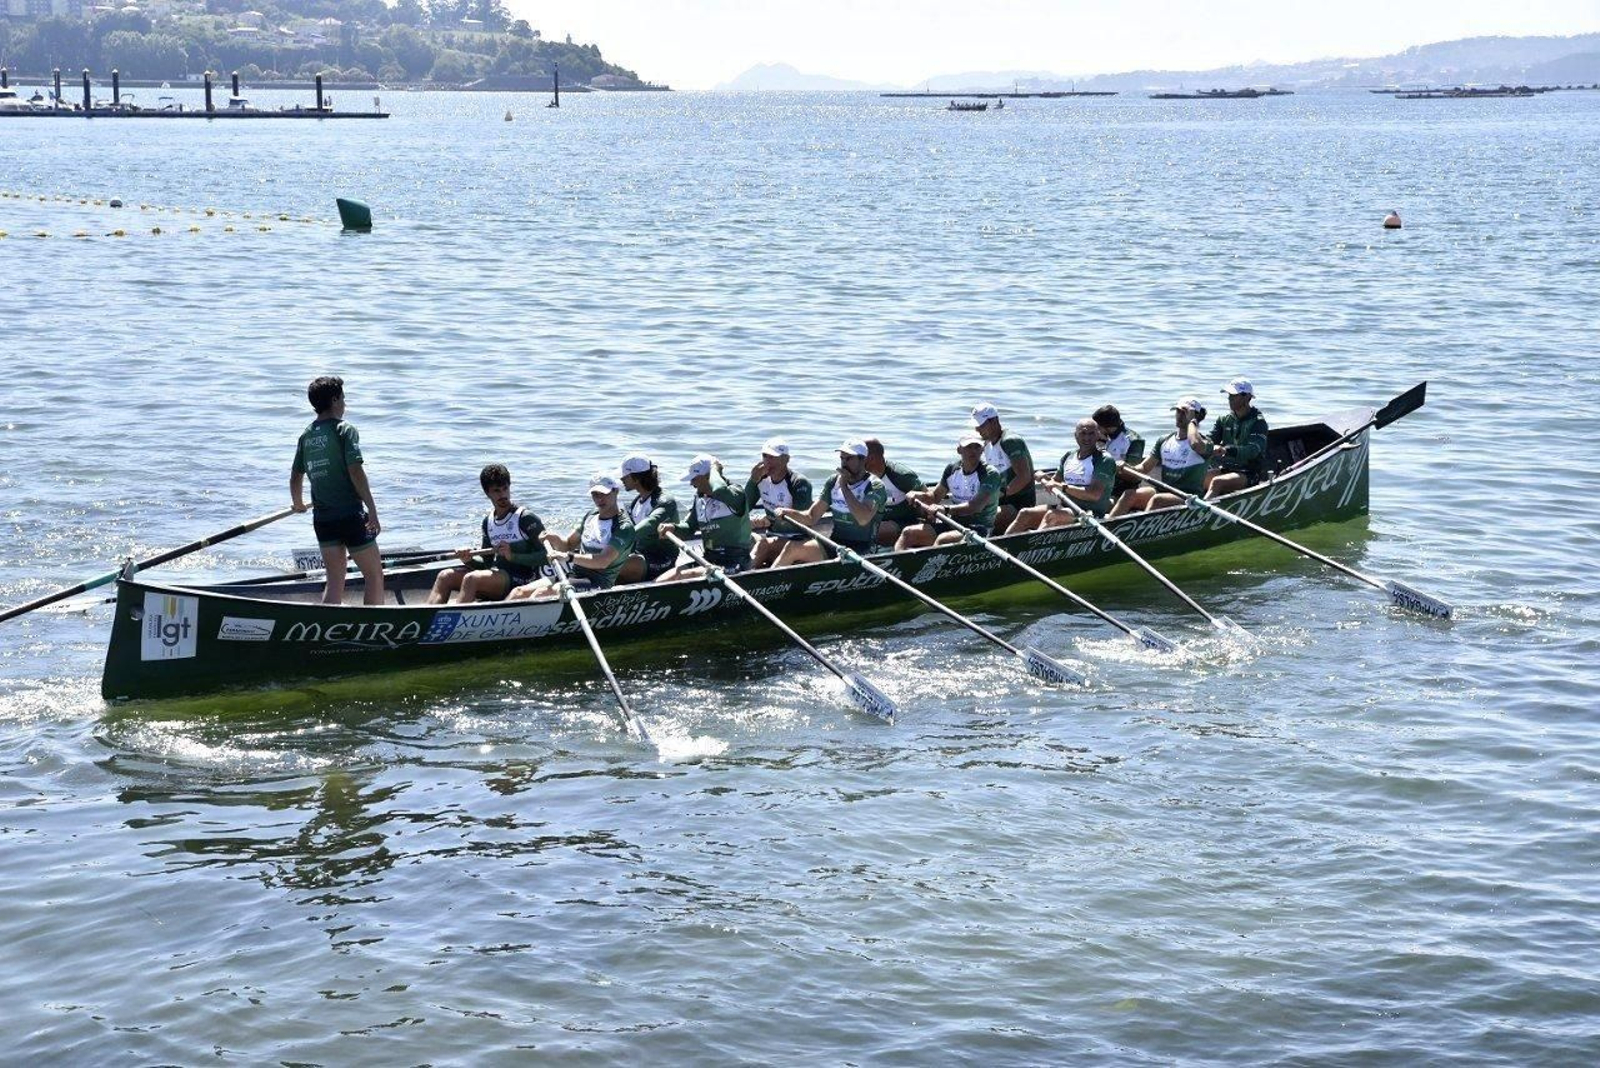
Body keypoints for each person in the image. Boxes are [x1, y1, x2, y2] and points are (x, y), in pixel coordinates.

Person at [289, 375, 385, 605]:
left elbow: (295, 476)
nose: (345, 403)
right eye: (343, 398)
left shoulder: (306, 435)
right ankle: (374, 628)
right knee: (373, 575)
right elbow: (355, 471)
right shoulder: (344, 430)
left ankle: (325, 628)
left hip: (323, 518)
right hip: (351, 515)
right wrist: (372, 509)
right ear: (334, 400)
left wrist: (298, 503)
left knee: (334, 581)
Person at [426, 463, 549, 604]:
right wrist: (468, 559)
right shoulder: (488, 522)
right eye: (497, 491)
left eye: (505, 489)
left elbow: (547, 556)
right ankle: (427, 619)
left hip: (523, 579)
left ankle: (456, 620)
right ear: (487, 493)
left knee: (472, 579)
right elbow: (486, 563)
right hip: (497, 577)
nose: (503, 495)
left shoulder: (526, 518)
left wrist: (513, 556)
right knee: (445, 576)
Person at [508, 473, 635, 601]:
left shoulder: (624, 528)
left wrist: (569, 557)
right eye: (595, 494)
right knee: (518, 592)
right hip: (574, 575)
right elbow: (568, 544)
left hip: (598, 584)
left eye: (604, 493)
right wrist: (554, 538)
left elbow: (602, 561)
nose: (599, 499)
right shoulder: (591, 516)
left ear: (616, 491)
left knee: (542, 594)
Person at [770, 440, 888, 566]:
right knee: (792, 547)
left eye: (849, 459)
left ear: (863, 460)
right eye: (842, 458)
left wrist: (844, 486)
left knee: (836, 564)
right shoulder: (833, 481)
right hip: (835, 544)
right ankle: (767, 581)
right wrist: (788, 512)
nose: (844, 463)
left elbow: (863, 519)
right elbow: (811, 517)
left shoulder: (874, 486)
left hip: (863, 549)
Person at [894, 433, 1005, 549]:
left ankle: (932, 565)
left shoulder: (990, 474)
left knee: (943, 540)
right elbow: (935, 496)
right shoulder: (952, 469)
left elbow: (975, 507)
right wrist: (918, 495)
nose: (973, 451)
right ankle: (896, 564)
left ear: (982, 450)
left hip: (979, 528)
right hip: (953, 524)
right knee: (908, 533)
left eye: (977, 447)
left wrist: (945, 509)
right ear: (959, 450)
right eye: (968, 447)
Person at [655, 455, 754, 582]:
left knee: (684, 576)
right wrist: (673, 528)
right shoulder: (700, 499)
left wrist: (714, 468)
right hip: (708, 559)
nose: (691, 483)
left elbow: (719, 490)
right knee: (661, 581)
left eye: (694, 479)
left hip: (735, 562)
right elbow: (689, 527)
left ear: (709, 477)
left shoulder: (735, 493)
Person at [1007, 418, 1117, 532]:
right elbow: (1054, 483)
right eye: (1083, 433)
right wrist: (1044, 478)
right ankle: (1004, 543)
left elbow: (1094, 495)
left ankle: (1033, 545)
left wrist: (1064, 487)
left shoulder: (1104, 460)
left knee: (1052, 516)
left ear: (1098, 435)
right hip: (1066, 508)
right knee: (1025, 513)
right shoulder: (1069, 456)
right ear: (1076, 435)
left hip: (1089, 513)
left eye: (1091, 433)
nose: (1087, 438)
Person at [1109, 399, 1209, 516]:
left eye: (1184, 413)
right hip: (1164, 491)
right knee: (1129, 494)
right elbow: (1144, 467)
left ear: (1195, 416)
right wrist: (1126, 466)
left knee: (1158, 500)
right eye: (1178, 411)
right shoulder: (1164, 440)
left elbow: (1196, 445)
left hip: (1188, 496)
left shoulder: (1205, 443)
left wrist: (1192, 422)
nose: (1179, 416)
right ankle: (1108, 525)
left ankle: (1142, 531)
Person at [1192, 377, 1270, 496]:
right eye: (1229, 395)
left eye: (1233, 395)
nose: (1229, 398)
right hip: (1227, 469)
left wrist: (1227, 450)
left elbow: (1252, 450)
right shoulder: (1224, 419)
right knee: (1195, 477)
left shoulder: (1258, 422)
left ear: (1247, 397)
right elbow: (1210, 440)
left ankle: (1200, 512)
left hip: (1249, 473)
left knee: (1217, 482)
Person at [744, 437, 814, 569]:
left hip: (796, 540)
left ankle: (742, 576)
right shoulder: (760, 479)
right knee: (741, 538)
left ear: (786, 459)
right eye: (765, 456)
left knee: (763, 545)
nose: (768, 462)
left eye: (773, 457)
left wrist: (768, 520)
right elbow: (742, 509)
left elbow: (803, 521)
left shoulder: (798, 483)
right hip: (772, 536)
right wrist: (752, 481)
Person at [615, 454, 680, 585]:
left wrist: (618, 541)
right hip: (641, 555)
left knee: (619, 563)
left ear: (636, 478)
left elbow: (650, 523)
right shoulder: (636, 503)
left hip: (662, 560)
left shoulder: (665, 501)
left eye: (624, 475)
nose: (621, 479)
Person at [971, 403, 1034, 535]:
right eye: (976, 425)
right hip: (996, 503)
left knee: (983, 518)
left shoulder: (1011, 441)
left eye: (981, 425)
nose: (977, 429)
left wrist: (999, 494)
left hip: (1017, 505)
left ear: (994, 421)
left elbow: (1024, 477)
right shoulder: (986, 444)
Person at [863, 437, 923, 547]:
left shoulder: (901, 476)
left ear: (871, 458)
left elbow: (930, 497)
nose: (854, 461)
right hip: (877, 520)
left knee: (872, 530)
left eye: (859, 457)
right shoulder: (859, 475)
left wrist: (916, 495)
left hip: (904, 522)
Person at [1092, 404, 1146, 504]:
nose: (1095, 429)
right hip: (1100, 485)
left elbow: (1132, 476)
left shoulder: (1133, 440)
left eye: (1097, 426)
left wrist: (1111, 467)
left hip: (1121, 491)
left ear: (1106, 426)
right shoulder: (1100, 437)